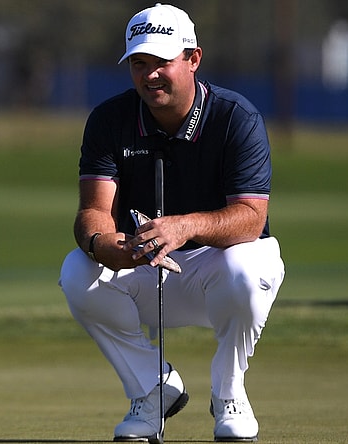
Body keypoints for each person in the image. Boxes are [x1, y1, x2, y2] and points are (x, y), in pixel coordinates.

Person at [59, 3, 285, 442]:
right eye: (139, 64)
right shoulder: (110, 120)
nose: (150, 76)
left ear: (193, 59)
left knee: (249, 265)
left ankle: (229, 393)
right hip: (146, 266)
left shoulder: (236, 118)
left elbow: (251, 219)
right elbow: (92, 212)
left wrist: (182, 227)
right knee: (77, 270)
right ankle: (152, 389)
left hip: (220, 270)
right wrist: (104, 245)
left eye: (162, 62)